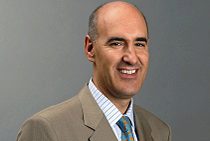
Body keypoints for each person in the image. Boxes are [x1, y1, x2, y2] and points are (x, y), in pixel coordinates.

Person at [17, 1, 171, 141]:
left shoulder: (160, 131)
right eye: (116, 43)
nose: (131, 57)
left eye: (139, 44)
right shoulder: (47, 129)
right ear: (90, 48)